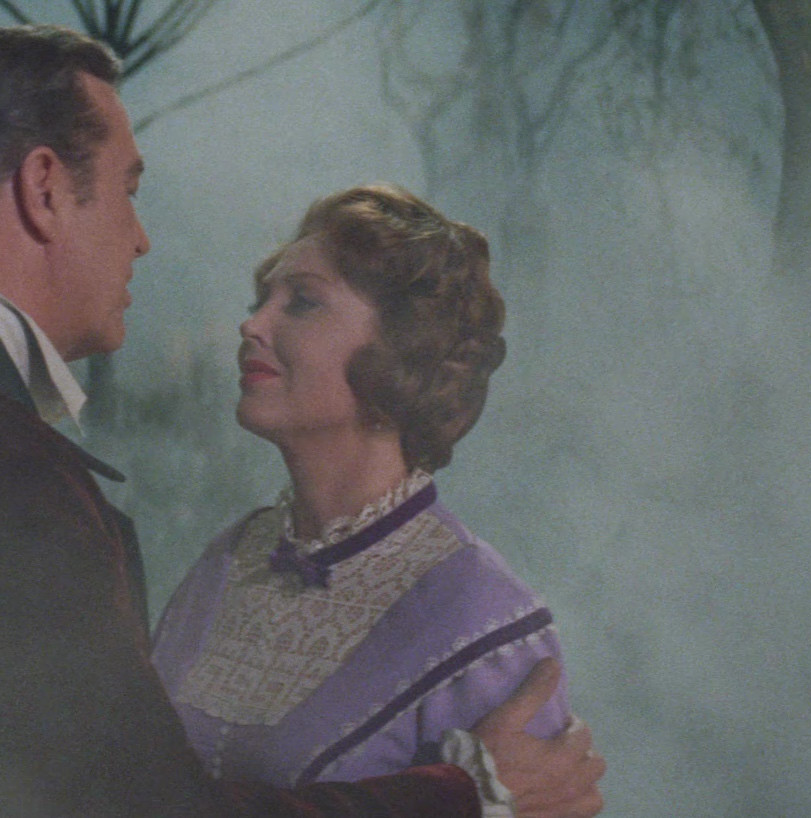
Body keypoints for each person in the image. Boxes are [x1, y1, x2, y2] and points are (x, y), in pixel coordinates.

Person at [0, 24, 604, 818]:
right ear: (44, 189)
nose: (140, 236)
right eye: (127, 189)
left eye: (301, 301)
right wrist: (461, 799)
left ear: (402, 351)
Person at [152, 185, 576, 796]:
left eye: (302, 302)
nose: (252, 324)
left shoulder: (484, 623)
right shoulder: (228, 559)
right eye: (261, 300)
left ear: (404, 347)